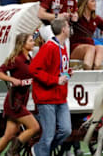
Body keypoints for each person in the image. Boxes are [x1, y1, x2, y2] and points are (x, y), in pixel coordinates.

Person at [0, 33, 40, 156]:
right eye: (30, 41)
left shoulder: (30, 59)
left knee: (8, 136)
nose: (33, 43)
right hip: (14, 103)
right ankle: (11, 153)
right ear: (23, 44)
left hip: (21, 101)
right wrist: (11, 79)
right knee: (34, 127)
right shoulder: (16, 59)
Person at [30, 19, 72, 156]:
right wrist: (55, 80)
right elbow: (34, 69)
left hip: (60, 96)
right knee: (48, 135)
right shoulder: (49, 47)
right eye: (68, 25)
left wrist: (67, 73)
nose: (70, 27)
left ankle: (40, 150)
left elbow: (59, 68)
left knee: (66, 130)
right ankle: (42, 151)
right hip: (46, 97)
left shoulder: (63, 45)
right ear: (63, 30)